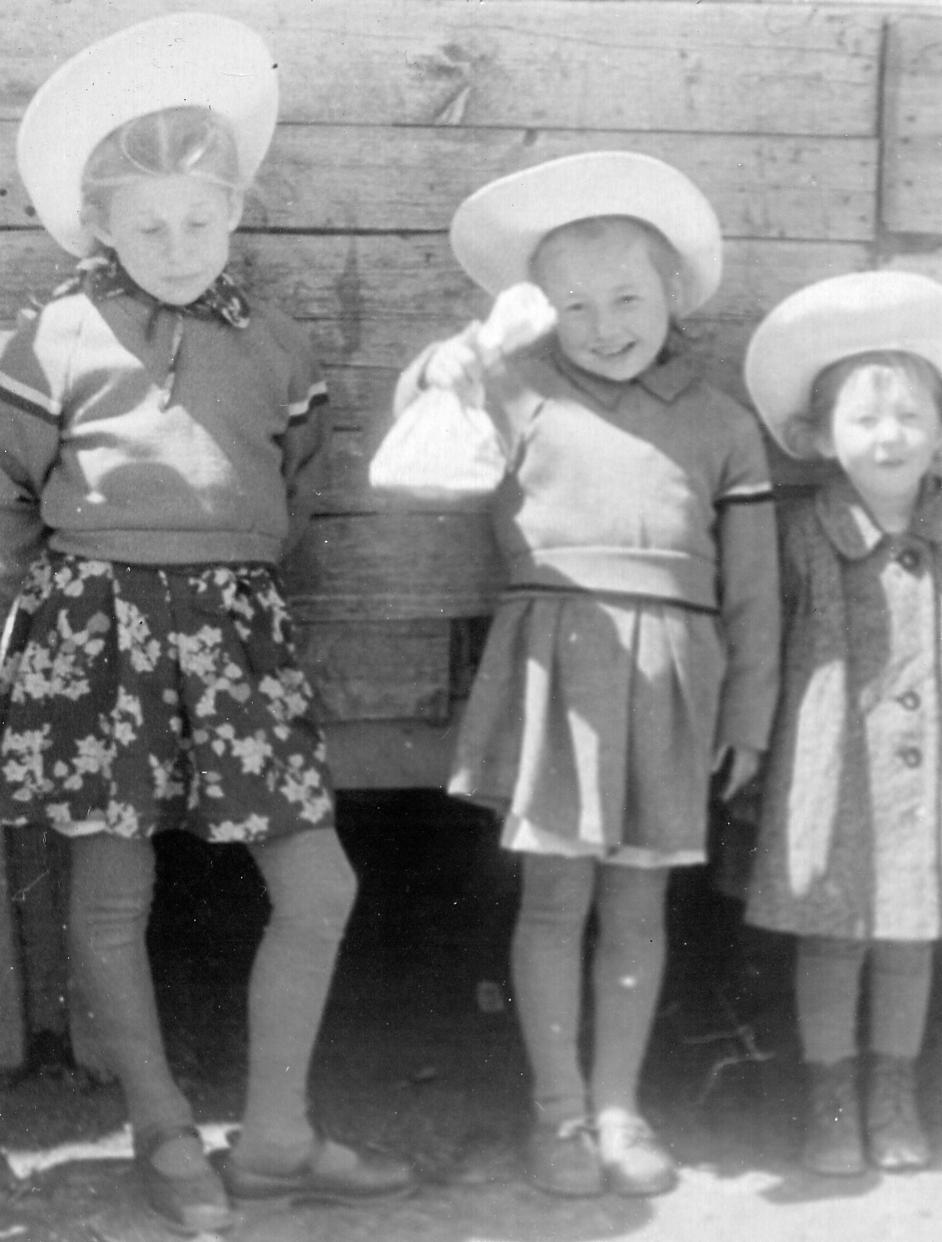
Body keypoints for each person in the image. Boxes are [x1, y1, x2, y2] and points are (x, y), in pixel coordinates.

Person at [0, 14, 413, 1235]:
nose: (177, 248)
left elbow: (297, 484)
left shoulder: (275, 345)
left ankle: (277, 1138)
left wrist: (231, 581)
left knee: (318, 884)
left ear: (236, 212)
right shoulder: (51, 338)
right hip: (98, 629)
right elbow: (8, 495)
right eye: (149, 227)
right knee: (111, 895)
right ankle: (163, 1130)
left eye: (199, 220)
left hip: (234, 630)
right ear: (101, 228)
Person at [385, 152, 780, 1197]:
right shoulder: (519, 390)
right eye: (575, 305)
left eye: (627, 298)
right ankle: (557, 1112)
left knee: (640, 910)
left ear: (673, 292)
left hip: (671, 688)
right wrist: (446, 365)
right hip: (557, 675)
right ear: (539, 310)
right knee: (555, 902)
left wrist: (748, 716)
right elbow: (423, 420)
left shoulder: (722, 423)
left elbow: (752, 594)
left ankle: (619, 1106)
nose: (604, 326)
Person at [743, 270, 942, 1178]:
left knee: (911, 930)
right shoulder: (804, 536)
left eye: (909, 416)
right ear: (823, 437)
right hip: (833, 768)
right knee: (833, 934)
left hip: (926, 774)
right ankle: (830, 1103)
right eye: (865, 419)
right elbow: (761, 641)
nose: (889, 436)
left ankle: (893, 1097)